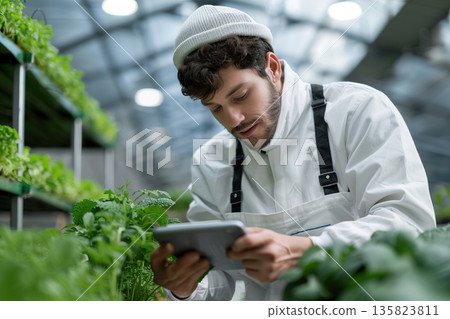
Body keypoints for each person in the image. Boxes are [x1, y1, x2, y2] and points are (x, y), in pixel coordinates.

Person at [150, 5, 436, 300]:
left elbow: (409, 224)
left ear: (272, 68)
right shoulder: (212, 161)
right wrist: (187, 287)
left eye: (241, 95)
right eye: (216, 108)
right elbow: (220, 281)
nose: (233, 119)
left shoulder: (357, 111)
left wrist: (307, 251)